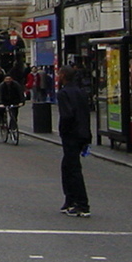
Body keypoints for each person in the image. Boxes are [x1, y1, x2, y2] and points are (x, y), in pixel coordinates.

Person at [57, 66, 92, 217]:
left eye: (59, 74)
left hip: (71, 134)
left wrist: (63, 131)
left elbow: (67, 115)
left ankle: (82, 204)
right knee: (67, 167)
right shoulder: (81, 92)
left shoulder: (64, 93)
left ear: (63, 76)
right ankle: (70, 200)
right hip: (82, 132)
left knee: (73, 169)